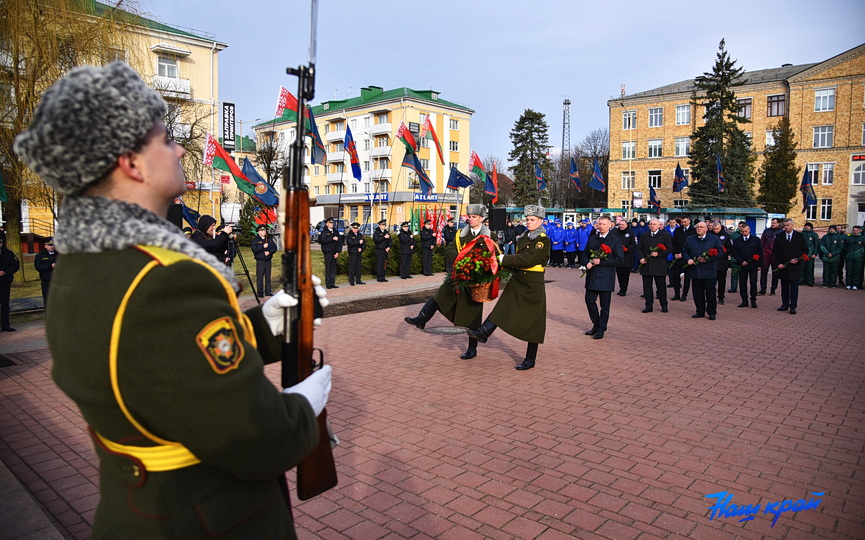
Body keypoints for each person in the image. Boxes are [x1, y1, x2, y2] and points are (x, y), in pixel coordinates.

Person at [13, 61, 331, 538]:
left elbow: (162, 363)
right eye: (164, 138)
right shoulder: (167, 280)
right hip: (202, 519)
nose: (179, 147)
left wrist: (260, 328)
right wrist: (304, 409)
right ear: (131, 161)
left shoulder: (89, 264)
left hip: (141, 509)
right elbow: (257, 438)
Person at [404, 205, 494, 360]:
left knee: (473, 315)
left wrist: (474, 264)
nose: (470, 219)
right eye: (469, 216)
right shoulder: (461, 234)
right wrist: (460, 259)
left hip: (475, 280)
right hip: (458, 274)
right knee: (440, 295)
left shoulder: (488, 236)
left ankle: (472, 349)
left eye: (474, 216)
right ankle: (421, 319)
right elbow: (449, 250)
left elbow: (492, 256)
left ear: (481, 218)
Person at [467, 205, 550, 371]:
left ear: (540, 221)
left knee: (534, 321)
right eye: (527, 219)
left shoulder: (542, 240)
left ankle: (530, 358)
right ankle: (484, 332)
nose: (528, 222)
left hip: (533, 283)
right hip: (519, 279)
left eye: (532, 220)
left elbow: (527, 259)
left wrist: (503, 259)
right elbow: (520, 260)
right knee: (503, 306)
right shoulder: (525, 236)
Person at [580, 216, 624, 340]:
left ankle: (601, 328)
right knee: (589, 301)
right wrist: (586, 262)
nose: (600, 226)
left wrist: (602, 262)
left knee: (604, 306)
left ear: (610, 225)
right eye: (598, 224)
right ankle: (596, 323)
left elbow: (619, 259)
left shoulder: (615, 240)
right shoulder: (593, 238)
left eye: (603, 224)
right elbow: (584, 254)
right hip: (592, 275)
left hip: (606, 276)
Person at [682, 221, 724, 320]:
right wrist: (688, 259)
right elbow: (684, 251)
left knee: (710, 293)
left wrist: (708, 259)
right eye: (697, 227)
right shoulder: (690, 239)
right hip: (695, 270)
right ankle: (699, 311)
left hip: (709, 270)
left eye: (701, 227)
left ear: (706, 229)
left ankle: (711, 312)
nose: (699, 229)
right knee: (697, 292)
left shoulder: (714, 239)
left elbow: (720, 252)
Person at [772, 218, 808, 314]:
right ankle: (785, 304)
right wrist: (778, 263)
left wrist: (798, 259)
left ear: (792, 225)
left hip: (794, 266)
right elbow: (775, 252)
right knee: (784, 286)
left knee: (794, 287)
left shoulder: (799, 236)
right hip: (783, 266)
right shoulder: (779, 236)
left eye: (788, 225)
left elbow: (805, 251)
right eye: (785, 226)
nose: (786, 227)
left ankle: (793, 306)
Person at [638, 218, 672, 313]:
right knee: (647, 287)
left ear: (659, 225)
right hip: (646, 264)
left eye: (654, 224)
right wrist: (641, 258)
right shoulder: (645, 235)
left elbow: (669, 248)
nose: (652, 226)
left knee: (661, 286)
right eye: (650, 224)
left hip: (659, 264)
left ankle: (664, 305)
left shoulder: (665, 235)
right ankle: (648, 305)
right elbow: (639, 248)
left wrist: (659, 254)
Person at [731, 224, 762, 308]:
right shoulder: (737, 241)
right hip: (742, 265)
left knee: (753, 282)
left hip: (753, 265)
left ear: (749, 230)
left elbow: (760, 252)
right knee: (742, 283)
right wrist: (741, 261)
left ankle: (753, 300)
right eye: (742, 232)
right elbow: (734, 252)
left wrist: (759, 265)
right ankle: (744, 300)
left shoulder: (756, 240)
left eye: (745, 231)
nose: (744, 233)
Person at [672, 216, 696, 301]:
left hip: (687, 257)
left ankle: (684, 294)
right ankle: (676, 293)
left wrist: (685, 255)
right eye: (682, 222)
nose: (683, 224)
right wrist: (675, 253)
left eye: (685, 222)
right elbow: (673, 242)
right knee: (675, 276)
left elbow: (693, 245)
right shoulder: (678, 230)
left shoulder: (693, 231)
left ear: (689, 221)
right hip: (677, 257)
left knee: (687, 277)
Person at [611, 219, 636, 296]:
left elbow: (634, 244)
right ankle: (621, 287)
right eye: (620, 225)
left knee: (625, 274)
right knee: (619, 273)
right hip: (617, 257)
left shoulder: (631, 233)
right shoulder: (614, 232)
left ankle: (624, 289)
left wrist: (627, 249)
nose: (621, 226)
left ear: (626, 225)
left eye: (622, 225)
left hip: (627, 257)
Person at [0, 235, 20, 331]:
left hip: (4, 282)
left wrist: (5, 272)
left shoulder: (8, 254)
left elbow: (15, 265)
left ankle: (5, 325)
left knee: (5, 304)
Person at [711, 221, 733, 305]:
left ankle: (721, 297)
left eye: (717, 229)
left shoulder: (726, 235)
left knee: (721, 281)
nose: (715, 230)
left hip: (722, 262)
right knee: (711, 282)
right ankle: (710, 297)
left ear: (720, 228)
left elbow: (729, 248)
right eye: (714, 229)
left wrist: (722, 253)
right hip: (712, 261)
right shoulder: (710, 235)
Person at [34, 237, 59, 309]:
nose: (52, 246)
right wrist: (50, 266)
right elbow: (38, 267)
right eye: (50, 245)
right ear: (45, 246)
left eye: (53, 245)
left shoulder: (59, 254)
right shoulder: (40, 256)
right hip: (47, 281)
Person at [250, 224, 275, 297]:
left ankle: (268, 291)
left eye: (264, 230)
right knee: (260, 277)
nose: (264, 232)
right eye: (262, 230)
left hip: (268, 260)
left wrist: (269, 252)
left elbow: (274, 247)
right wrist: (262, 246)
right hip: (260, 261)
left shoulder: (269, 239)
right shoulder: (255, 240)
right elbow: (254, 250)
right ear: (258, 232)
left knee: (268, 276)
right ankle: (260, 292)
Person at [760, 218, 782, 295]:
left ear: (778, 224)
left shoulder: (781, 232)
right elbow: (762, 241)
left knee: (775, 273)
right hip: (766, 254)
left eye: (774, 223)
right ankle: (762, 289)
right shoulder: (766, 231)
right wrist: (761, 252)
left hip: (775, 255)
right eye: (772, 223)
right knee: (763, 272)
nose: (773, 224)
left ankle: (773, 289)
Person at [320, 217, 343, 289]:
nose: (331, 224)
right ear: (327, 224)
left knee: (333, 268)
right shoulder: (324, 231)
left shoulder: (335, 231)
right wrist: (332, 238)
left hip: (334, 252)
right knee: (328, 268)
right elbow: (323, 241)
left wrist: (338, 252)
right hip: (328, 252)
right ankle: (328, 284)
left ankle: (332, 283)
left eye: (332, 223)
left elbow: (340, 242)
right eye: (330, 223)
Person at [728, 221, 747, 293]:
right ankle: (733, 288)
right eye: (739, 226)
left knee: (743, 276)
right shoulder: (733, 235)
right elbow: (731, 245)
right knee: (734, 274)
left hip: (744, 259)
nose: (740, 228)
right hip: (734, 259)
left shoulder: (747, 234)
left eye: (742, 226)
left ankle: (742, 289)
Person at [842, 225, 864, 290]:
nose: (855, 232)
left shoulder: (863, 238)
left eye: (857, 230)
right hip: (849, 257)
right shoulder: (848, 237)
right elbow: (844, 246)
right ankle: (848, 284)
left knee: (857, 271)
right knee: (849, 271)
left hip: (859, 257)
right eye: (854, 230)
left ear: (860, 230)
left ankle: (855, 285)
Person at [799, 222, 820, 287]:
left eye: (808, 226)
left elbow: (817, 245)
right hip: (802, 254)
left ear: (811, 227)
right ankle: (801, 280)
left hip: (811, 255)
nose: (807, 227)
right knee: (801, 268)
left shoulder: (814, 234)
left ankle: (810, 281)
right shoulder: (801, 234)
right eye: (806, 226)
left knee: (810, 268)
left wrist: (815, 253)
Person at [346, 221, 366, 286]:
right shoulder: (349, 235)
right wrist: (358, 242)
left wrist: (361, 248)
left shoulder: (360, 235)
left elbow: (364, 244)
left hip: (359, 253)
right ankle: (352, 281)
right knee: (352, 267)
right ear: (352, 228)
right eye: (354, 228)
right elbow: (350, 243)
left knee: (358, 267)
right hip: (353, 253)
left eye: (356, 228)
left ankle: (358, 280)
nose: (355, 229)